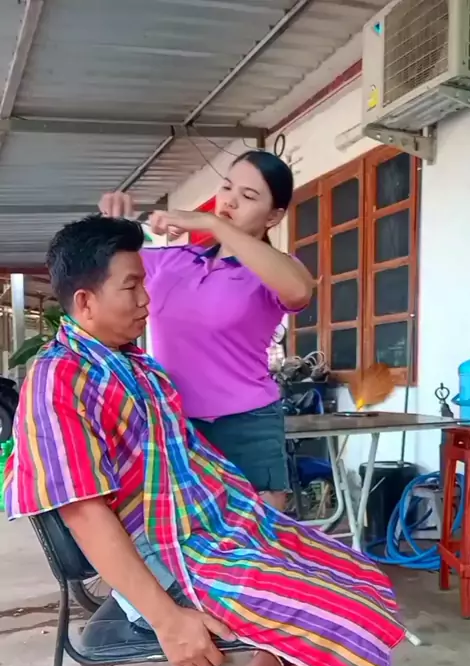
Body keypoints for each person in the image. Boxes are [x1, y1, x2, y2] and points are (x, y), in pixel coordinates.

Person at [5, 217, 405, 666]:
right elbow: (84, 512)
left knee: (360, 576)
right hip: (178, 557)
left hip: (222, 527)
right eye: (132, 287)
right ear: (84, 302)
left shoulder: (137, 367)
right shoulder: (59, 379)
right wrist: (167, 621)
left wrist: (256, 517)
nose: (147, 300)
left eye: (144, 283)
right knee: (359, 625)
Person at [98, 150, 312, 516]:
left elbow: (299, 290)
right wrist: (112, 226)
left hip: (247, 425)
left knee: (256, 537)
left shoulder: (273, 271)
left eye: (248, 196)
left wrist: (213, 223)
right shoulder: (174, 260)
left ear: (274, 217)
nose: (230, 200)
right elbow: (108, 274)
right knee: (185, 533)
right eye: (227, 187)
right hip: (175, 423)